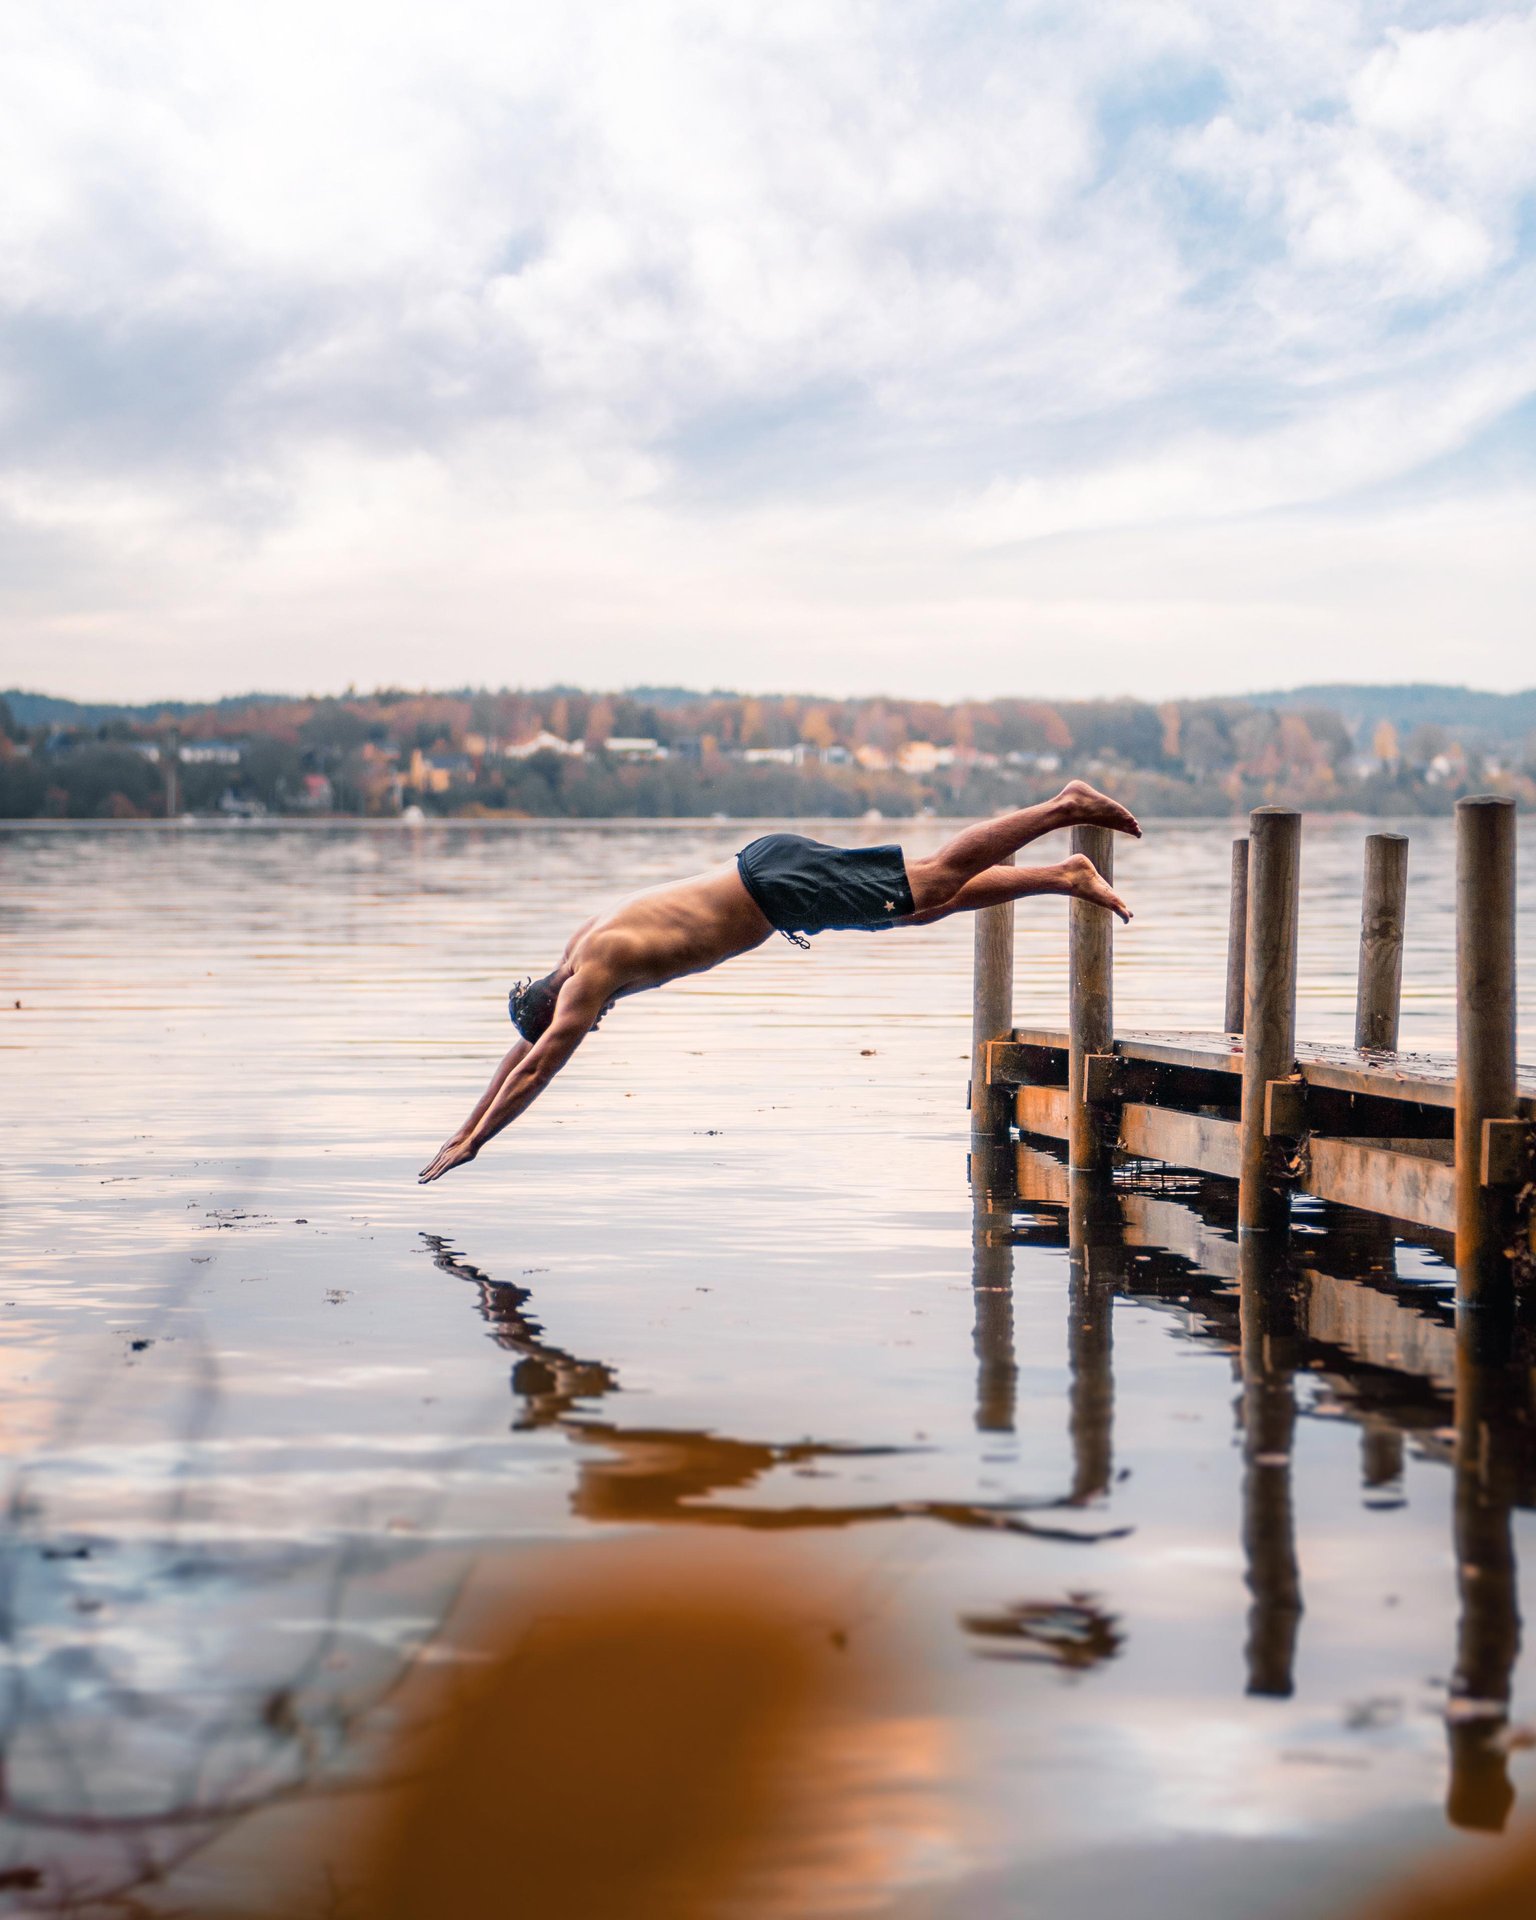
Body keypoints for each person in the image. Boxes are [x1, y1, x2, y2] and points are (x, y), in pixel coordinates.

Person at [419, 781, 1137, 1182]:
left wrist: (479, 1144)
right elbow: (522, 1054)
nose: (591, 1025)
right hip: (768, 878)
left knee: (937, 877)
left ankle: (1063, 808)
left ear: (560, 1007)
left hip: (775, 888)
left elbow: (537, 1067)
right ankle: (1063, 876)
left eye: (581, 1022)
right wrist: (463, 1126)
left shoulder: (588, 982)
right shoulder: (577, 950)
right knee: (917, 909)